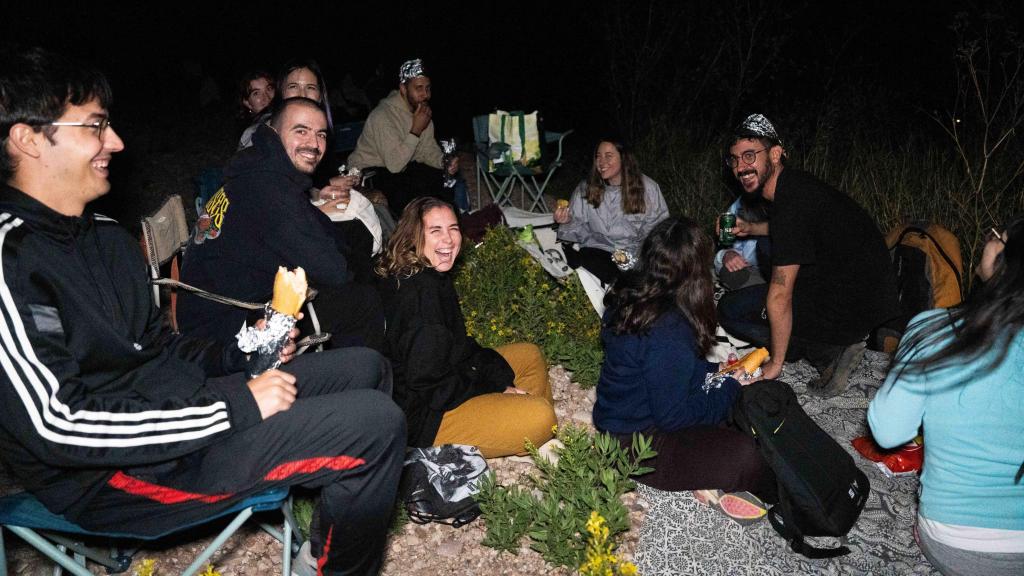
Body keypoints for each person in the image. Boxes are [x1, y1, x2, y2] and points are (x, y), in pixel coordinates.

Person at [0, 47, 404, 575]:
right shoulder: (12, 259)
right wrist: (236, 406)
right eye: (96, 126)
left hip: (180, 418)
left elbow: (161, 346)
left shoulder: (103, 237)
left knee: (367, 367)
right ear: (28, 139)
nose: (116, 142)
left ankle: (326, 543)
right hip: (115, 476)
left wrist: (242, 353)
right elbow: (58, 426)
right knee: (376, 424)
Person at [868, 218, 1024, 576]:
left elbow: (888, 432)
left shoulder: (934, 328)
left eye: (994, 235)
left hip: (957, 545)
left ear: (1001, 252)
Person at [593, 217, 775, 523]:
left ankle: (703, 472)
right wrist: (731, 388)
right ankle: (781, 495)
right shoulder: (670, 328)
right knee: (746, 452)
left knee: (732, 408)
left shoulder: (632, 295)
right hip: (636, 444)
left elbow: (661, 367)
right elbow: (674, 417)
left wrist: (714, 369)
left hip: (627, 419)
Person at [179, 97, 385, 350]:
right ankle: (360, 378)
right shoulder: (269, 190)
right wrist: (355, 266)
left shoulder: (262, 170)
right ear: (273, 133)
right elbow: (335, 272)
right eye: (301, 131)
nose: (314, 144)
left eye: (321, 134)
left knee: (351, 236)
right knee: (363, 302)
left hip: (229, 299)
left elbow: (319, 226)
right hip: (223, 327)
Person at [718, 114, 899, 396]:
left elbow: (780, 294)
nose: (741, 167)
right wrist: (751, 228)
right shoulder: (795, 186)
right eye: (735, 159)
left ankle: (828, 352)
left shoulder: (791, 205)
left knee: (732, 310)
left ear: (775, 154)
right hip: (862, 291)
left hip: (851, 306)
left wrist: (775, 364)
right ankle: (830, 339)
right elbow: (792, 230)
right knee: (766, 250)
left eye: (750, 156)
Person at [375, 197, 556, 457]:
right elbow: (429, 386)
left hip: (447, 380)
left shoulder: (430, 274)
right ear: (414, 236)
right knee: (542, 416)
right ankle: (526, 430)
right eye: (436, 231)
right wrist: (493, 386)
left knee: (528, 355)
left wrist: (494, 375)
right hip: (427, 419)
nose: (448, 240)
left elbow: (456, 346)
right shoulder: (420, 298)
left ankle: (525, 437)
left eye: (453, 228)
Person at [347, 59, 457, 216]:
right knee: (411, 194)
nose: (425, 94)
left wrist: (444, 162)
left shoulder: (422, 113)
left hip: (404, 170)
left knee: (442, 187)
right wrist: (415, 130)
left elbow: (427, 151)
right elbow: (394, 164)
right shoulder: (382, 115)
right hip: (370, 173)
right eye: (418, 88)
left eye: (428, 88)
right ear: (403, 89)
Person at [554, 138, 669, 285]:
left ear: (624, 159)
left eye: (608, 156)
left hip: (633, 255)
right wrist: (567, 221)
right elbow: (578, 231)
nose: (601, 162)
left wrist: (634, 258)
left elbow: (659, 232)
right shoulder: (586, 188)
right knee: (586, 264)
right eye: (598, 156)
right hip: (597, 250)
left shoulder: (648, 189)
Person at [714, 194, 771, 291]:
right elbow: (725, 254)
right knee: (731, 272)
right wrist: (727, 254)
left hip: (789, 275)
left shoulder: (794, 202)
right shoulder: (740, 205)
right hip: (756, 274)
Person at [236, 69, 275, 149]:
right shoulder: (250, 134)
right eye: (256, 93)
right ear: (247, 103)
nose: (266, 97)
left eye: (269, 89)